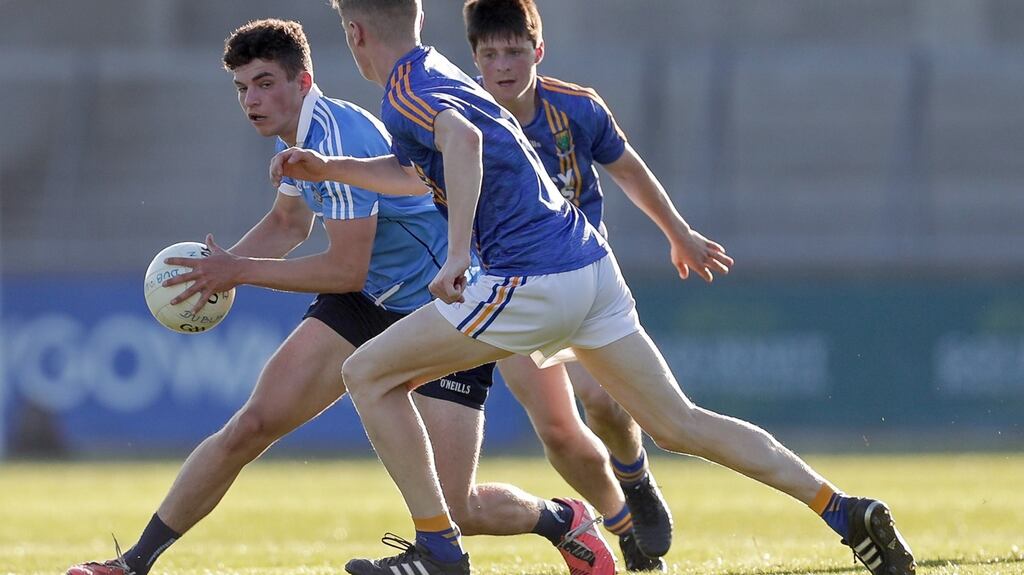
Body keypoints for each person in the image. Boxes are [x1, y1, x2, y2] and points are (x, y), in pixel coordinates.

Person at [272, 2, 916, 575]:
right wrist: (333, 168)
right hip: (590, 267)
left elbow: (461, 142)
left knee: (366, 374)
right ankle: (842, 509)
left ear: (355, 34)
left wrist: (460, 249)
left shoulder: (405, 90)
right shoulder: (437, 70)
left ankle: (438, 547)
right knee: (680, 423)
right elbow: (422, 170)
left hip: (530, 278)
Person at [64, 18, 616, 575]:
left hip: (442, 305)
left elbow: (345, 268)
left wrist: (239, 271)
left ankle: (561, 519)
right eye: (242, 88)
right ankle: (132, 564)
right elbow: (288, 223)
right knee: (250, 426)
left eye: (264, 83)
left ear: (303, 81)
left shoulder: (338, 137)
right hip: (369, 301)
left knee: (460, 507)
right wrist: (218, 273)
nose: (251, 100)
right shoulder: (296, 137)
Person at [464, 0, 699, 569]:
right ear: (474, 59)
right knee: (560, 433)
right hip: (506, 289)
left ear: (538, 51)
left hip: (579, 279)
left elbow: (629, 169)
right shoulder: (460, 118)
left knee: (603, 403)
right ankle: (622, 525)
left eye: (515, 51)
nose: (503, 65)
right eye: (490, 54)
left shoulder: (575, 108)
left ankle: (635, 477)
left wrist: (678, 232)